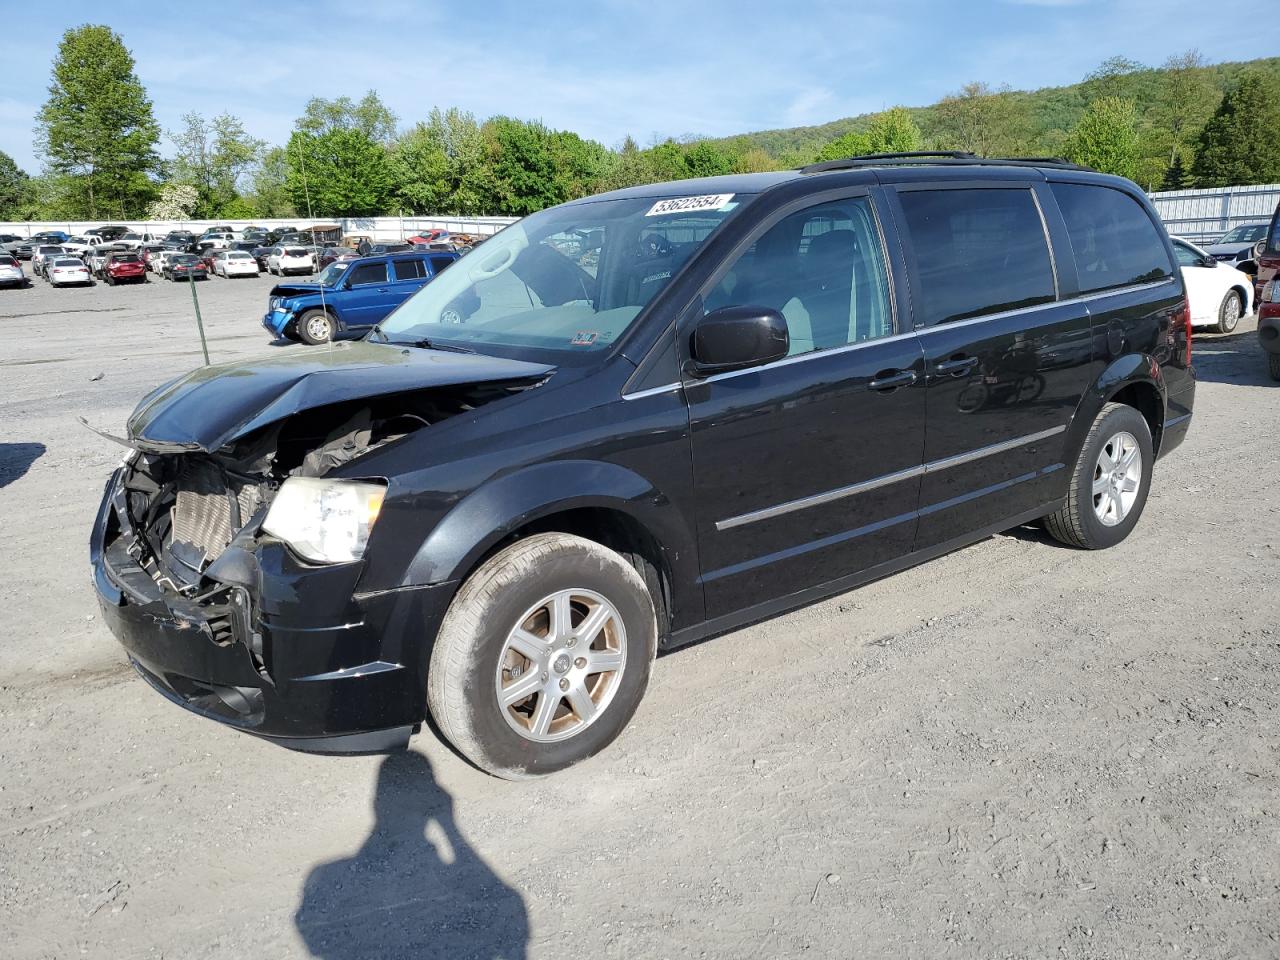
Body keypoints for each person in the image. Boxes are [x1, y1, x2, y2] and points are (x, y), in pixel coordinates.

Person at [295, 752, 528, 959]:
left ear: (375, 802)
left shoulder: (327, 875)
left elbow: (311, 933)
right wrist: (449, 826)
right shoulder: (329, 874)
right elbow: (508, 910)